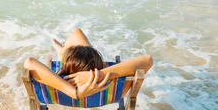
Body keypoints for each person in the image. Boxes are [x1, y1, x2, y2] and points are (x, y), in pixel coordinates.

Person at [23, 28, 153, 99]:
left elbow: (29, 62)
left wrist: (73, 92)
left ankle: (63, 54)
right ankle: (64, 53)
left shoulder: (55, 83)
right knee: (80, 37)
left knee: (77, 35)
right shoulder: (117, 89)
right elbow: (148, 60)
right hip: (105, 95)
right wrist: (98, 75)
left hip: (63, 91)